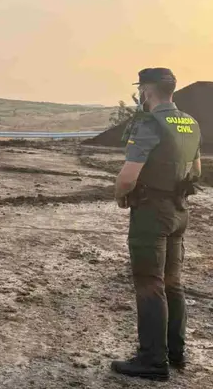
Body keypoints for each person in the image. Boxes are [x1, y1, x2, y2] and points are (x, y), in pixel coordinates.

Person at [111, 68, 203, 381]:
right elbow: (197, 170)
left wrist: (121, 195)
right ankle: (176, 353)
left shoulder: (150, 122)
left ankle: (152, 360)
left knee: (149, 283)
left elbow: (127, 177)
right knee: (172, 282)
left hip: (152, 213)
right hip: (179, 211)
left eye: (141, 91)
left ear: (147, 90)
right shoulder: (190, 122)